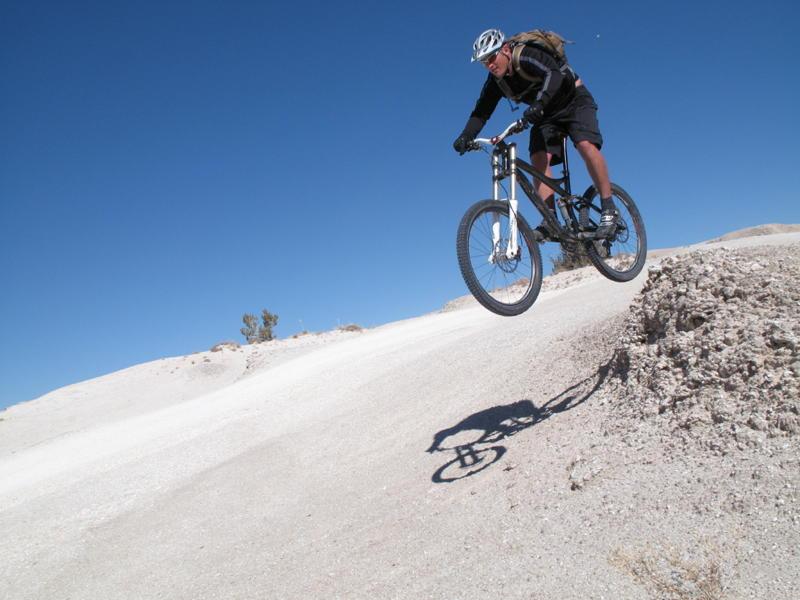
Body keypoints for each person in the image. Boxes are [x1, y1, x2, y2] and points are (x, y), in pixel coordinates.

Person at [453, 28, 618, 238]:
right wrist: (465, 136)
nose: (490, 65)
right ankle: (551, 220)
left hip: (574, 101)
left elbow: (553, 73)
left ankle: (609, 207)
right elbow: (481, 111)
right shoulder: (496, 82)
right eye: (484, 62)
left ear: (505, 49)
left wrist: (539, 105)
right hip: (545, 114)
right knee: (537, 158)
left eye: (492, 57)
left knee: (585, 144)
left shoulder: (526, 54)